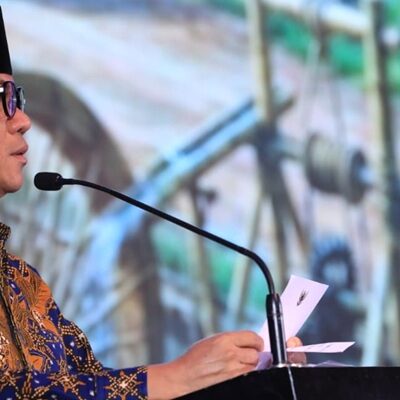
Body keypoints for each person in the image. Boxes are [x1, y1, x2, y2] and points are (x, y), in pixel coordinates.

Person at [0, 6, 303, 399]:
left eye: (18, 99)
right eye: (5, 99)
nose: (23, 119)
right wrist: (176, 376)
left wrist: (232, 375)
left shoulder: (24, 284)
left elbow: (91, 384)